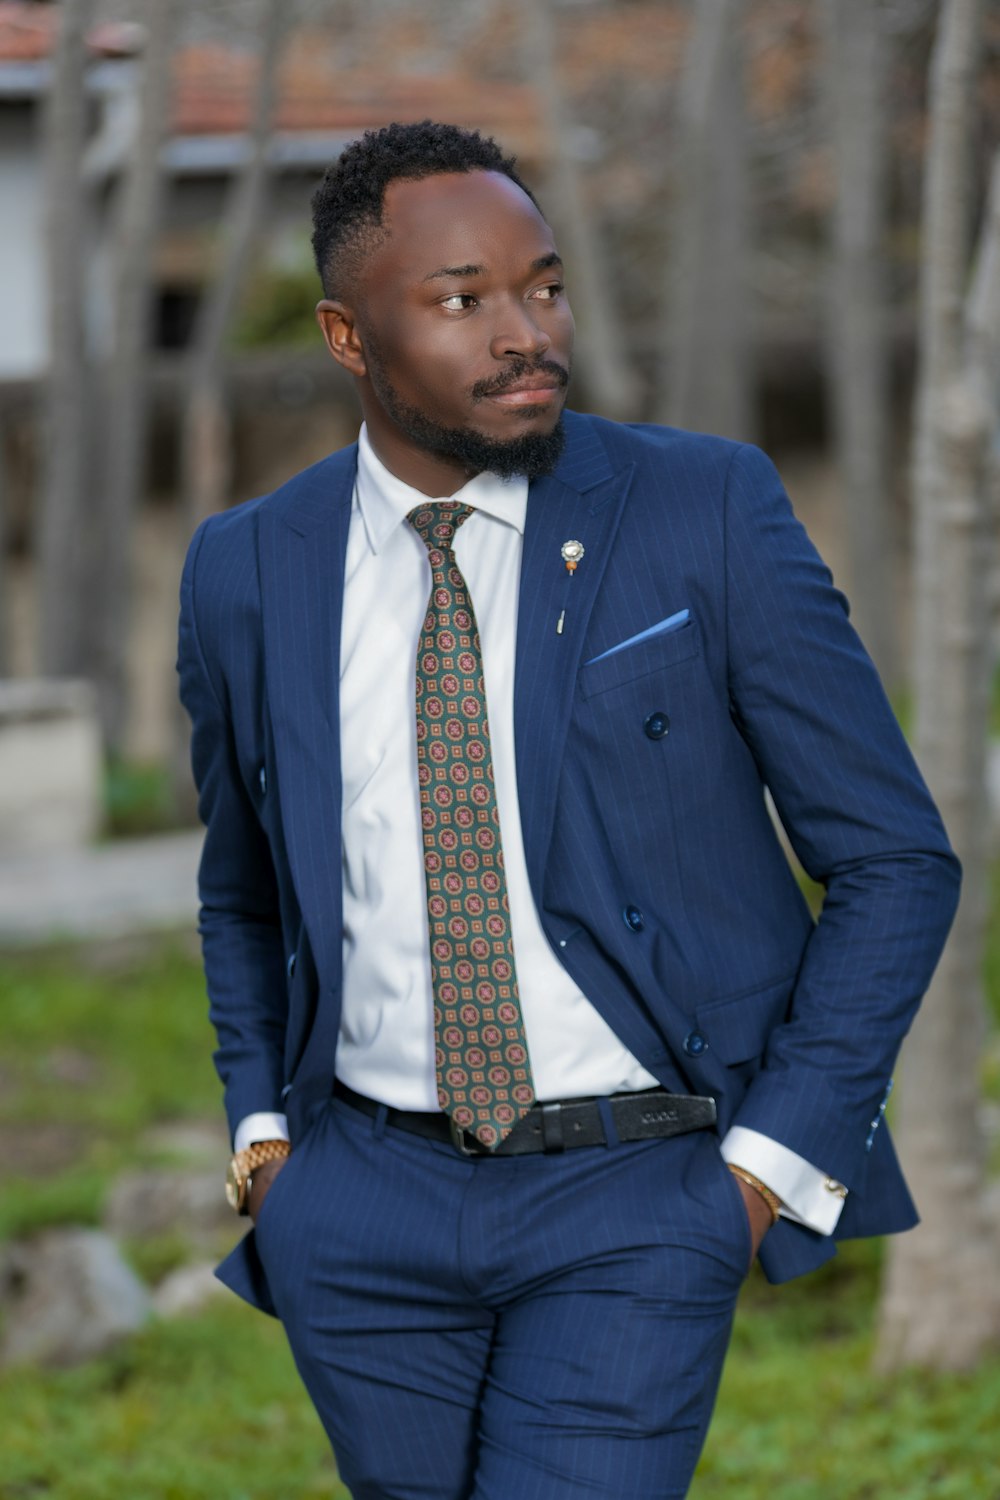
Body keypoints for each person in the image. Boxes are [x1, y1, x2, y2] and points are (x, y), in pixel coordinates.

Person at [178, 120, 960, 1499]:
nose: (526, 330)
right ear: (349, 337)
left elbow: (894, 855)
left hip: (637, 1196)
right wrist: (265, 1145)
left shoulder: (702, 507)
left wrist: (762, 1170)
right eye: (463, 298)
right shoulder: (246, 568)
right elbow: (245, 885)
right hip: (361, 1205)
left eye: (542, 285)